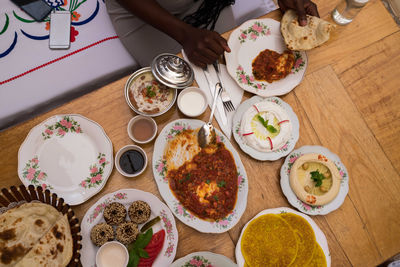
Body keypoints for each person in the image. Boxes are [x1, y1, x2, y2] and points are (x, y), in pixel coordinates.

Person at [105, 0, 319, 68]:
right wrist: (184, 34)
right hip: (144, 8)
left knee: (235, 63)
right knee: (187, 86)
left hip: (207, 3)